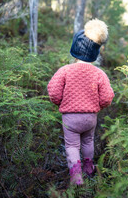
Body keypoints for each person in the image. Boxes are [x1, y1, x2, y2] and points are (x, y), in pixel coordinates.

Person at [47, 19, 114, 185]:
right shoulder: (99, 74)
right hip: (90, 118)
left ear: (74, 49)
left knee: (71, 146)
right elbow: (107, 97)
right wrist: (96, 105)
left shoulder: (64, 71)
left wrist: (61, 102)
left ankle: (77, 179)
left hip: (70, 118)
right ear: (94, 53)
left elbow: (53, 92)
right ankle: (89, 169)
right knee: (88, 141)